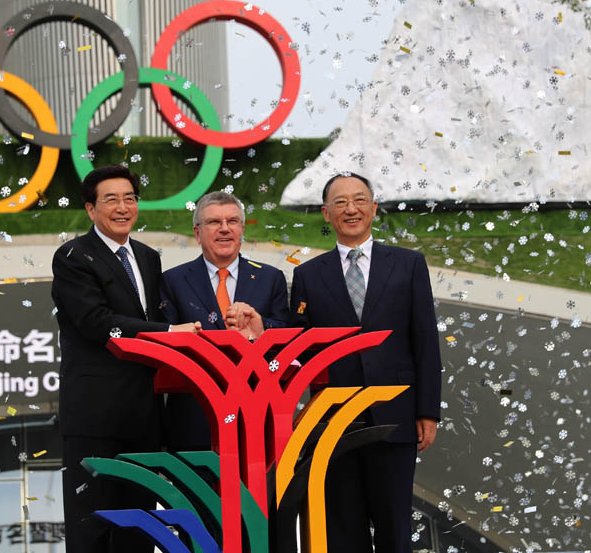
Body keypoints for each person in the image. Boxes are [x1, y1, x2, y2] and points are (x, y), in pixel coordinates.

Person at [288, 172, 442, 553]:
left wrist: (427, 412)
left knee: (394, 528)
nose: (350, 209)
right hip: (333, 422)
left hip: (396, 417)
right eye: (340, 202)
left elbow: (424, 342)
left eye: (359, 200)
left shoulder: (408, 265)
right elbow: (301, 348)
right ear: (326, 213)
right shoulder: (307, 275)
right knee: (342, 529)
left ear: (374, 208)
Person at [51, 165, 201, 553]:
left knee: (139, 527)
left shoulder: (148, 257)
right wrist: (169, 334)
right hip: (94, 418)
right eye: (111, 199)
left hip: (144, 413)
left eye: (130, 198)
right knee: (93, 528)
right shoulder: (72, 256)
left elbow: (157, 314)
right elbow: (95, 322)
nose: (122, 207)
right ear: (90, 209)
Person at [160, 190, 291, 451]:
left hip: (256, 410)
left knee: (258, 491)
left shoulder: (270, 278)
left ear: (242, 229)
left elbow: (289, 334)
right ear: (197, 233)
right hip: (194, 415)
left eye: (232, 221)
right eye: (213, 222)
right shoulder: (172, 281)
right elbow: (165, 347)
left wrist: (261, 328)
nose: (224, 229)